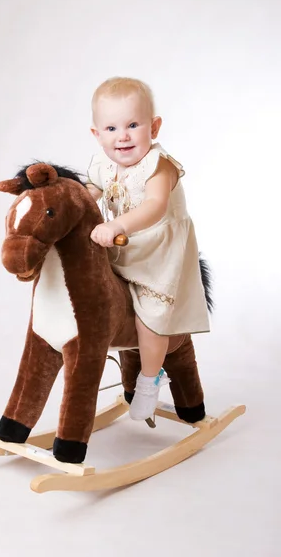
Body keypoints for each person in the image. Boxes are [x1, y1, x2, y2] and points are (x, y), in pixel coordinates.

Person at [86, 77, 210, 420]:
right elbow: (89, 194)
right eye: (111, 127)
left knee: (150, 318)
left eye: (132, 125)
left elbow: (154, 206)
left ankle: (149, 379)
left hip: (158, 253)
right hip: (124, 248)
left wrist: (116, 225)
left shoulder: (160, 166)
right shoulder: (101, 164)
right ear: (97, 135)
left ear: (153, 127)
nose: (122, 135)